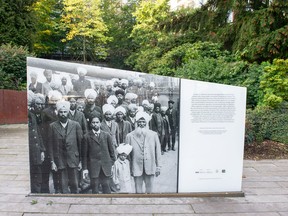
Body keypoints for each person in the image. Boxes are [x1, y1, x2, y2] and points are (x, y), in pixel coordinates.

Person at [48, 101, 83, 194]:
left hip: (73, 159)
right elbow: (50, 145)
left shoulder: (76, 125)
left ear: (68, 113)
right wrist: (52, 161)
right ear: (58, 113)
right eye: (61, 112)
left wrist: (81, 161)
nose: (63, 114)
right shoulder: (52, 126)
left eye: (65, 112)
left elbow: (81, 144)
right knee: (63, 186)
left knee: (75, 185)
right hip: (60, 160)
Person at [125, 111, 161, 194]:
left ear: (146, 123)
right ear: (136, 123)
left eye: (143, 122)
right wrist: (128, 168)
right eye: (139, 122)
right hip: (136, 166)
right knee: (138, 190)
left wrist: (158, 166)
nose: (141, 124)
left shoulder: (154, 135)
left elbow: (157, 152)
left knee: (150, 190)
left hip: (150, 166)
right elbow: (127, 155)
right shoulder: (129, 136)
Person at [82, 116, 116, 194]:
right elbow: (84, 155)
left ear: (100, 123)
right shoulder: (86, 137)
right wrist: (85, 168)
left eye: (97, 122)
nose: (95, 124)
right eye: (93, 122)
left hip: (105, 166)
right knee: (95, 188)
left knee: (106, 187)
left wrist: (112, 163)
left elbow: (111, 151)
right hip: (93, 167)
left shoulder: (106, 135)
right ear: (90, 124)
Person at [28, 91, 45, 193]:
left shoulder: (32, 116)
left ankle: (38, 192)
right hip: (30, 151)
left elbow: (38, 134)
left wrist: (42, 150)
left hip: (37, 150)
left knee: (38, 173)